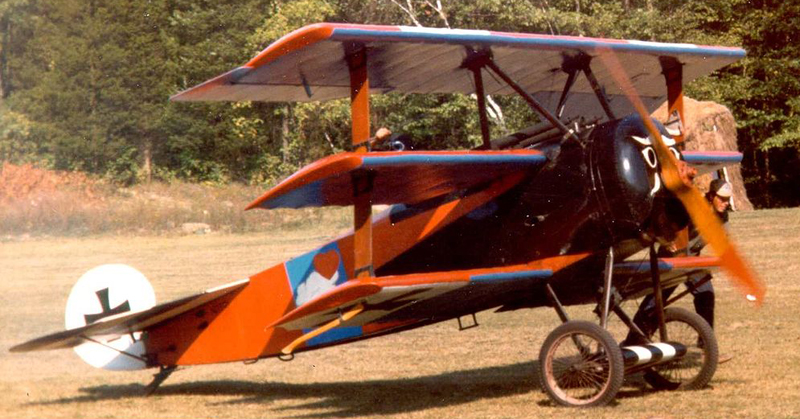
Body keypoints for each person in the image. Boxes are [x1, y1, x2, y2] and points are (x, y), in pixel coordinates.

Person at [624, 178, 733, 362]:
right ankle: (631, 342)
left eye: (728, 199)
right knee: (656, 301)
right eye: (722, 199)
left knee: (706, 294)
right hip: (671, 258)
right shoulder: (693, 209)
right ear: (711, 196)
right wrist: (668, 239)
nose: (725, 203)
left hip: (691, 260)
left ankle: (707, 346)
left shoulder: (722, 216)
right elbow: (665, 222)